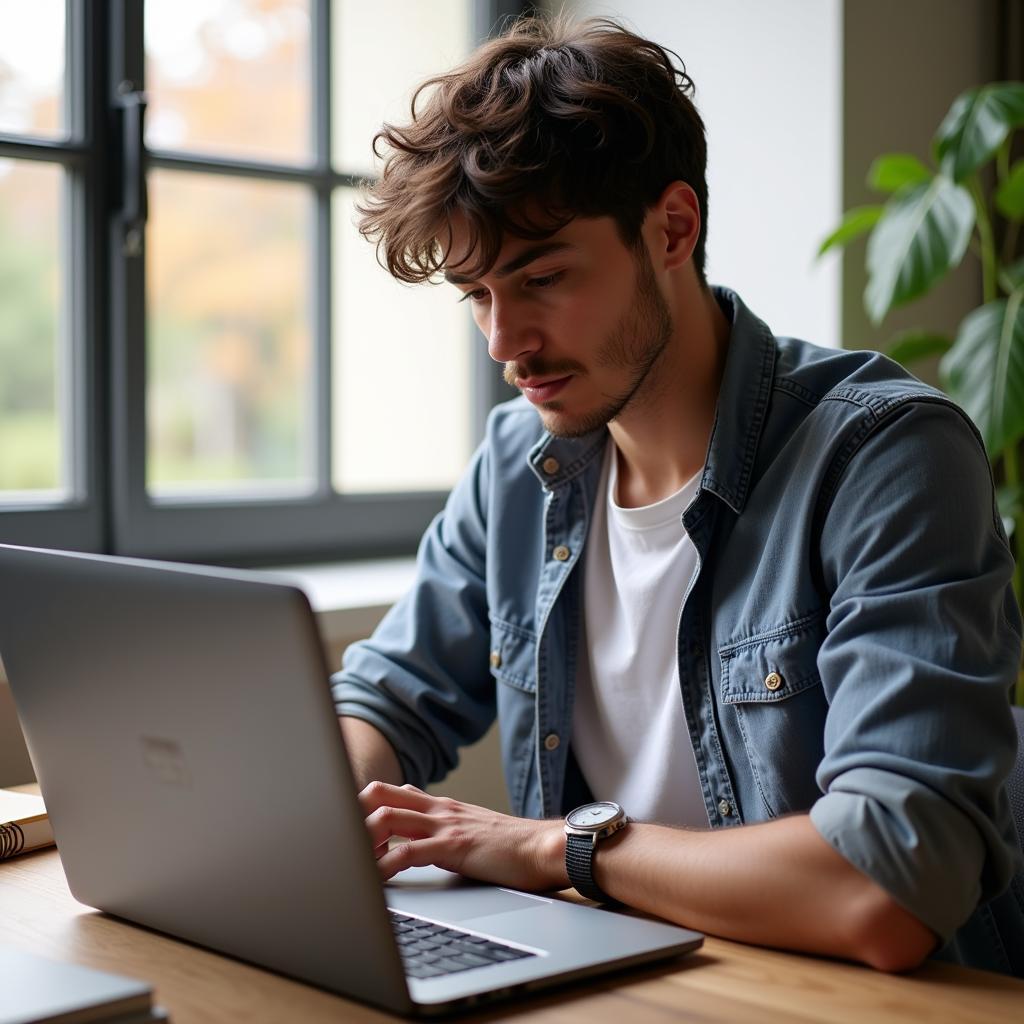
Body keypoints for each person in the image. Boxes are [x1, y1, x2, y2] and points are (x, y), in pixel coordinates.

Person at [331, 15, 1024, 975]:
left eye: (541, 278)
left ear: (672, 227)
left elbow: (891, 885)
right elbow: (384, 700)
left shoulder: (884, 457)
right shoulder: (517, 468)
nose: (504, 343)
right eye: (478, 295)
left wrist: (553, 847)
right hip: (631, 983)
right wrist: (328, 812)